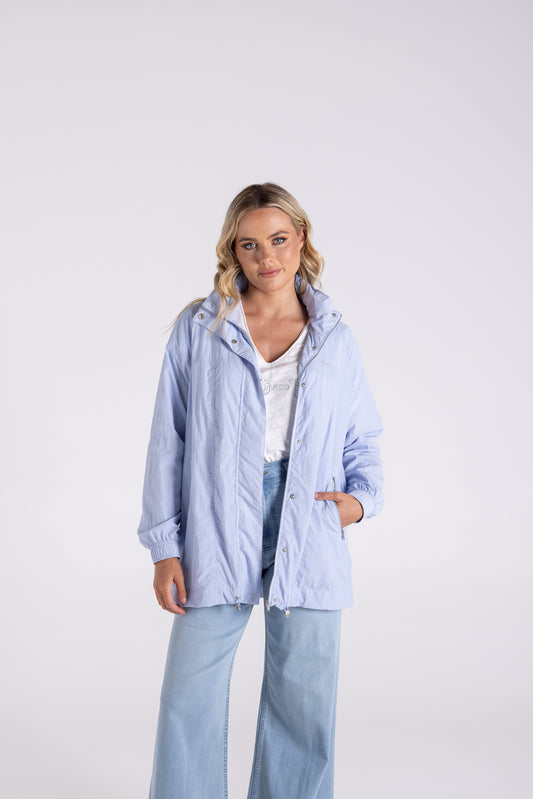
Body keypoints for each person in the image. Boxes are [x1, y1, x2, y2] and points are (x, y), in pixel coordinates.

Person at [137, 182, 384, 799]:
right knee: (188, 693)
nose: (266, 257)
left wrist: (359, 501)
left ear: (301, 238)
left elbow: (363, 436)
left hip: (310, 517)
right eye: (249, 245)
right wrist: (165, 546)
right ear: (233, 251)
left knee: (304, 699)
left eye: (277, 239)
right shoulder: (202, 328)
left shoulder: (334, 337)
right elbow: (169, 439)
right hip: (217, 516)